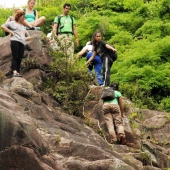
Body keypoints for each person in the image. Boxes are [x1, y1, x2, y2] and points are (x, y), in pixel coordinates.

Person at [1, 10, 31, 77]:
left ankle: (17, 72)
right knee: (15, 57)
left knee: (20, 58)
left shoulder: (23, 26)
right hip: (15, 41)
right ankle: (14, 72)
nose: (23, 18)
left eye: (24, 17)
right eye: (22, 17)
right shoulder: (12, 23)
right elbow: (3, 26)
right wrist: (10, 31)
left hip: (22, 43)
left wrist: (24, 38)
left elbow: (29, 36)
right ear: (19, 16)